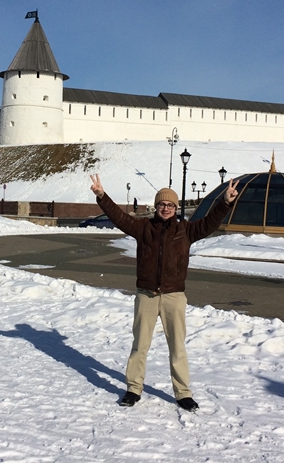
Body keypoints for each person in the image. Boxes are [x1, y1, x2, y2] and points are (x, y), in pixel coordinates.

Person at [89, 173, 239, 411]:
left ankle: (183, 393)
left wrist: (226, 202)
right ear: (156, 206)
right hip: (146, 296)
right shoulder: (143, 228)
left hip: (173, 297)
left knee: (177, 347)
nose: (166, 208)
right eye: (162, 204)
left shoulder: (186, 230)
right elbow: (119, 218)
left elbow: (210, 223)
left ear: (176, 208)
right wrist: (102, 196)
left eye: (170, 205)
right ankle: (133, 389)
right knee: (140, 346)